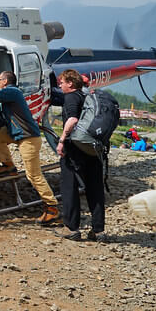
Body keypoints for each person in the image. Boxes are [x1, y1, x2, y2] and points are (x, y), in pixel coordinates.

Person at [0, 70, 60, 226]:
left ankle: (52, 207)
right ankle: (8, 165)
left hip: (28, 138)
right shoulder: (11, 93)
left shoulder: (12, 92)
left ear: (5, 81)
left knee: (33, 175)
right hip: (17, 134)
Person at [55, 69, 107, 241]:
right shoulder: (88, 97)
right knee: (95, 188)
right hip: (93, 148)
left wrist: (62, 140)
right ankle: (98, 230)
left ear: (70, 83)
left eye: (62, 82)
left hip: (75, 149)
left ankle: (72, 228)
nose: (60, 85)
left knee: (69, 186)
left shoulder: (71, 97)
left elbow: (73, 120)